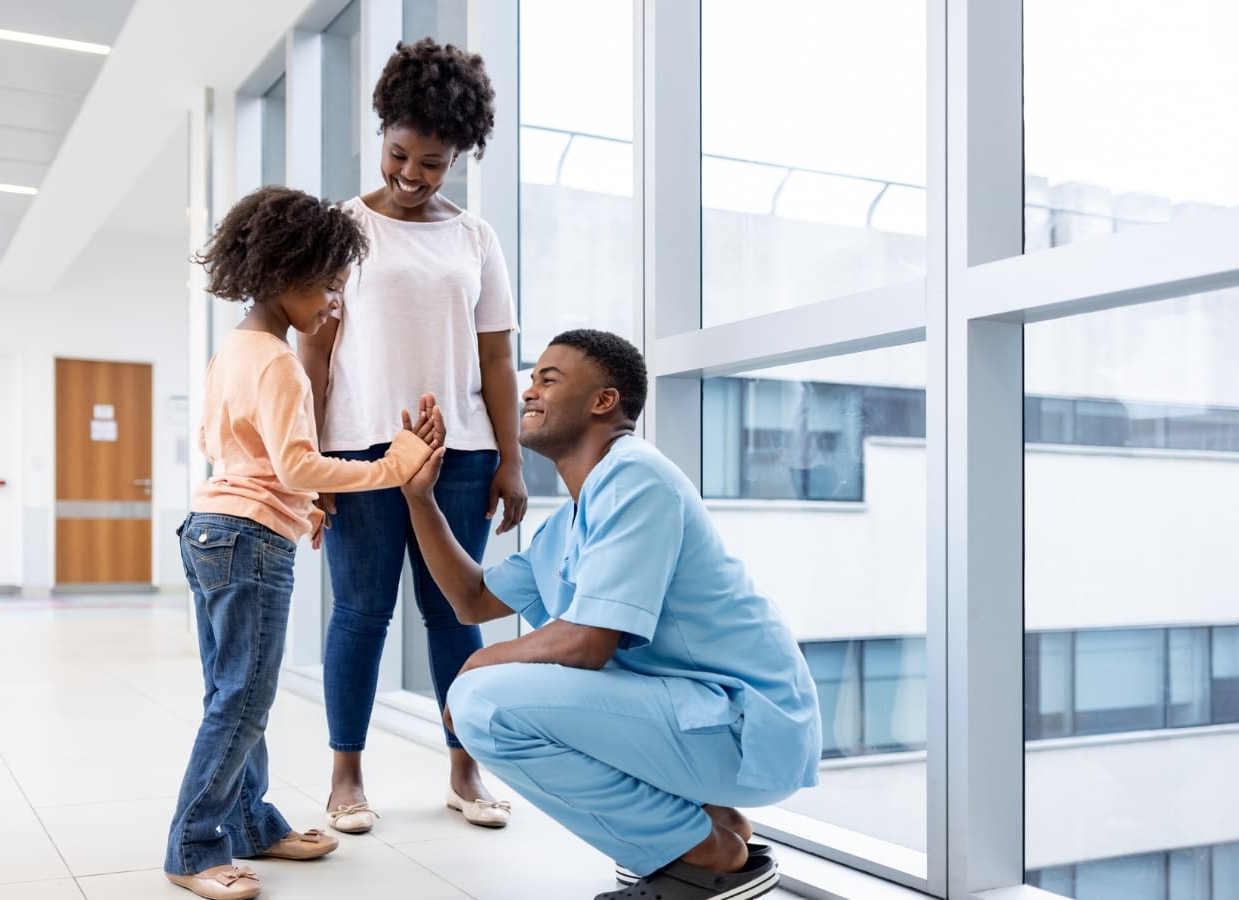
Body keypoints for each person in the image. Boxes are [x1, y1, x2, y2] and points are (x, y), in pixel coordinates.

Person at [399, 330, 822, 900]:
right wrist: (419, 498)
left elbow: (587, 644)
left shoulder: (636, 476)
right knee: (504, 688)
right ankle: (713, 827)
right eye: (531, 379)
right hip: (704, 720)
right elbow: (472, 599)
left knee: (485, 704)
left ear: (604, 400)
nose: (529, 391)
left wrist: (476, 663)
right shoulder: (576, 513)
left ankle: (701, 854)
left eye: (549, 379)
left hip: (747, 725)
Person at [165, 186, 447, 900]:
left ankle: (253, 823)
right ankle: (194, 847)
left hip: (210, 531)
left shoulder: (233, 351)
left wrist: (296, 505)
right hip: (251, 542)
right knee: (243, 700)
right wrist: (390, 466)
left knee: (234, 692)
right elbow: (294, 464)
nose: (333, 304)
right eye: (326, 286)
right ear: (284, 275)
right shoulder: (282, 363)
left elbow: (216, 443)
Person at [299, 37, 526, 834]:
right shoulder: (340, 227)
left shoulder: (476, 239)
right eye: (399, 155)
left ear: (458, 156)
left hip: (460, 452)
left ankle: (466, 768)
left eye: (431, 163)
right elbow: (315, 352)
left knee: (451, 613)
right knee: (360, 612)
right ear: (382, 133)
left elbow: (498, 355)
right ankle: (345, 778)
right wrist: (314, 466)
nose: (410, 175)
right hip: (360, 452)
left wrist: (511, 460)